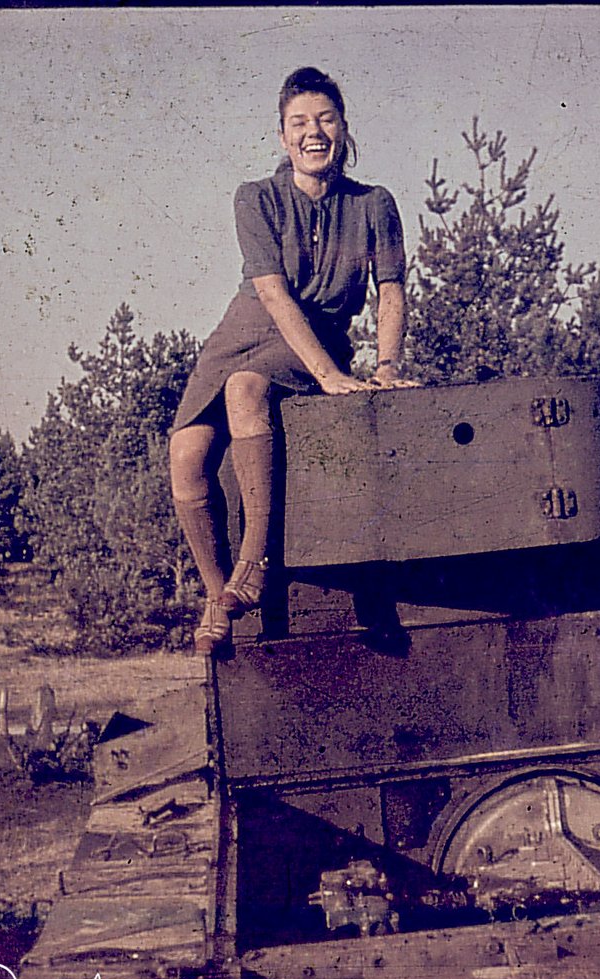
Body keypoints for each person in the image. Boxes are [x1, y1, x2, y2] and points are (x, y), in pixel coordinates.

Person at [169, 67, 414, 654]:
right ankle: (216, 597)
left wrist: (382, 365)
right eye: (299, 122)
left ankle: (253, 561)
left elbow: (391, 290)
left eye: (325, 119)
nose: (314, 132)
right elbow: (272, 293)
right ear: (282, 136)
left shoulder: (373, 204)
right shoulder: (255, 197)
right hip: (246, 326)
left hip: (317, 335)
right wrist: (328, 378)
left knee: (246, 392)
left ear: (344, 128)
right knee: (185, 453)